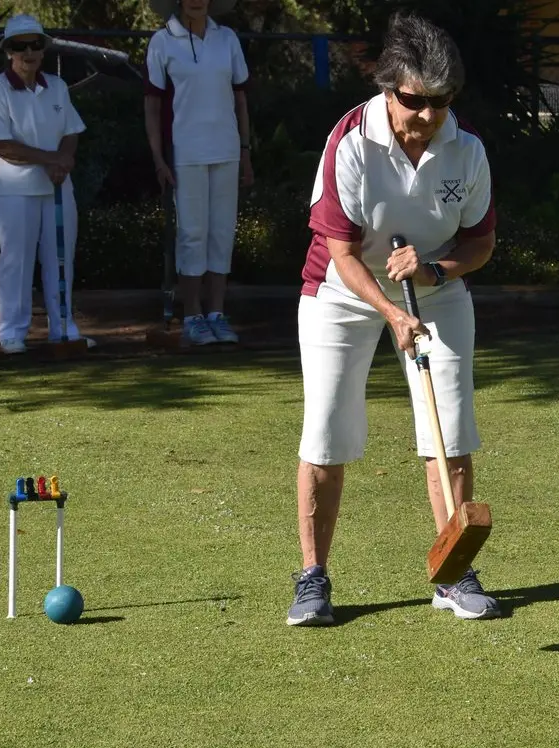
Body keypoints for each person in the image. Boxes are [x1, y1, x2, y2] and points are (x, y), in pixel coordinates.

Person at [286, 12, 500, 626]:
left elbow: (480, 245)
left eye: (441, 102)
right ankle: (313, 579)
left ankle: (453, 574)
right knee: (326, 433)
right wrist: (388, 312)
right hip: (342, 293)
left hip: (433, 290)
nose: (428, 116)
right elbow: (344, 253)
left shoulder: (468, 151)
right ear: (388, 89)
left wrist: (434, 271)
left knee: (450, 437)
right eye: (414, 101)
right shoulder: (350, 141)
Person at [0, 14, 93, 354]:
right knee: (16, 259)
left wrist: (64, 160)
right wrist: (51, 159)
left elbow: (71, 131)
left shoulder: (56, 86)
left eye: (35, 45)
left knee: (61, 258)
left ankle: (64, 328)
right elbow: (0, 144)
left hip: (58, 185)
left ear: (43, 50)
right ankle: (12, 332)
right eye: (20, 46)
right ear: (8, 51)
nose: (28, 52)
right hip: (13, 189)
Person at [144, 0, 255, 346]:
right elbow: (152, 105)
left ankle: (216, 314)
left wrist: (246, 152)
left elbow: (240, 101)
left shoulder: (228, 39)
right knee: (193, 234)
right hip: (186, 153)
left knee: (221, 233)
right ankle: (192, 315)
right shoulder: (162, 41)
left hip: (226, 149)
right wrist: (159, 158)